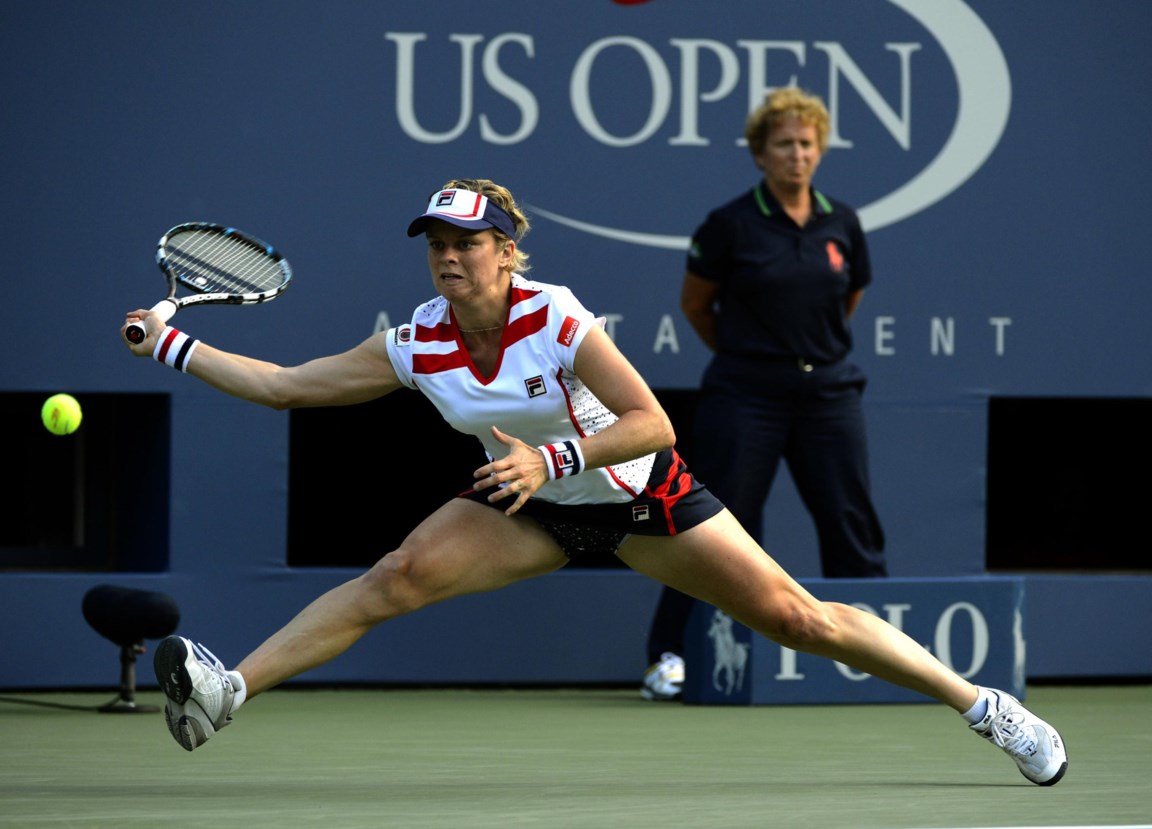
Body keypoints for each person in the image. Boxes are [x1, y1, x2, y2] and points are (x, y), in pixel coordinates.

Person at [121, 177, 1067, 786]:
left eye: (467, 241)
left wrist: (552, 458)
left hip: (639, 497)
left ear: (505, 249)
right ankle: (228, 690)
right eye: (435, 242)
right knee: (398, 574)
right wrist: (174, 343)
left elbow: (653, 421)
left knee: (799, 618)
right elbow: (289, 388)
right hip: (533, 510)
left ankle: (983, 706)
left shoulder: (556, 317)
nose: (448, 255)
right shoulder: (416, 339)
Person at [642, 87, 887, 703]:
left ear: (821, 150)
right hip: (745, 394)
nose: (797, 155)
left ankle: (881, 664)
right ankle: (671, 657)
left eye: (807, 144)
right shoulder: (729, 225)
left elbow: (846, 300)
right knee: (709, 525)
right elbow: (697, 307)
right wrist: (756, 354)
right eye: (784, 144)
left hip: (829, 393)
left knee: (850, 522)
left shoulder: (843, 224)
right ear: (760, 154)